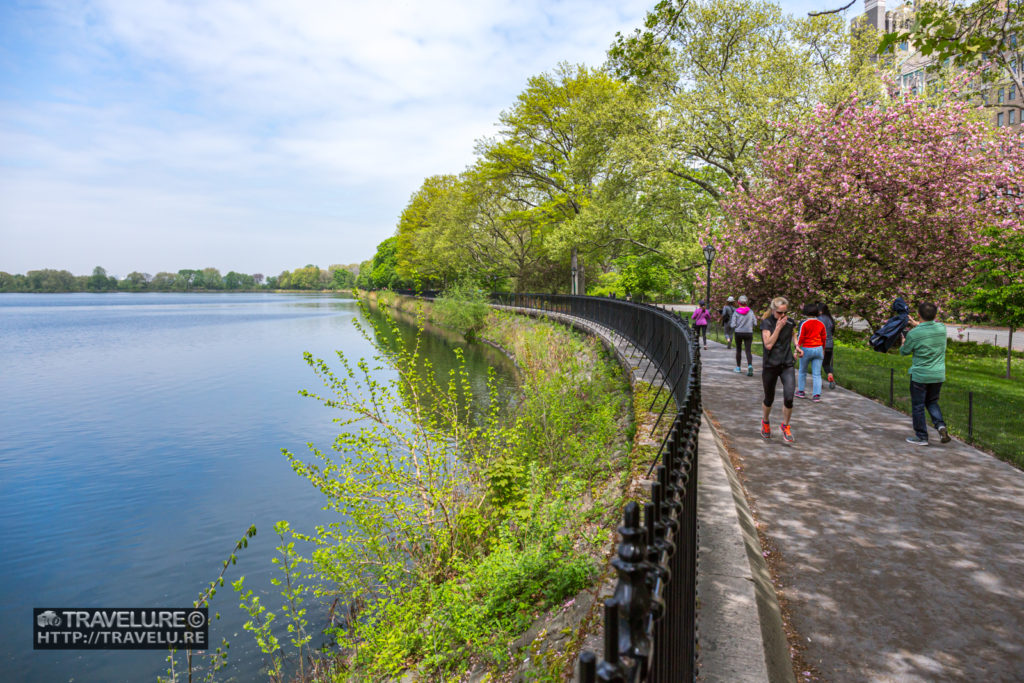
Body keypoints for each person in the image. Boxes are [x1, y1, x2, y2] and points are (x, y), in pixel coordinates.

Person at [900, 302, 951, 446]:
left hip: (920, 376)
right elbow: (928, 328)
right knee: (932, 402)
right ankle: (940, 425)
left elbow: (904, 352)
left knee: (918, 405)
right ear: (935, 315)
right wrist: (917, 324)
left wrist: (903, 341)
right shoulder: (942, 328)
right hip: (938, 375)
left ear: (918, 314)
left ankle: (922, 436)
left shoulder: (913, 334)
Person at [760, 297, 800, 443]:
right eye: (779, 313)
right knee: (769, 398)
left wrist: (797, 346)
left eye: (785, 313)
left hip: (787, 364)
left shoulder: (789, 322)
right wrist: (778, 327)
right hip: (771, 365)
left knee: (789, 397)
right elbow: (768, 345)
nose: (782, 316)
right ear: (773, 310)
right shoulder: (767, 323)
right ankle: (765, 422)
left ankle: (786, 425)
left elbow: (794, 334)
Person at [795, 303, 827, 402]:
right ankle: (816, 395)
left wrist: (797, 348)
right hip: (818, 348)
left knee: (802, 371)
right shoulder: (821, 324)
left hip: (806, 349)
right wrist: (823, 349)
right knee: (817, 374)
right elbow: (824, 337)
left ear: (805, 312)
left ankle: (801, 391)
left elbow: (801, 337)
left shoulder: (804, 323)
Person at [730, 295, 757, 376]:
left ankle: (738, 368)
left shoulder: (736, 312)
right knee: (748, 350)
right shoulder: (751, 311)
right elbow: (755, 323)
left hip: (738, 333)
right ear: (746, 303)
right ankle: (750, 366)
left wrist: (736, 325)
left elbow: (733, 325)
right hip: (749, 332)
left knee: (738, 350)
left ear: (738, 303)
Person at [816, 302, 836, 389]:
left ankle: (819, 382)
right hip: (830, 345)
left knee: (817, 363)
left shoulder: (818, 319)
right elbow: (832, 332)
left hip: (820, 344)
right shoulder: (830, 319)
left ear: (820, 310)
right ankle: (830, 376)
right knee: (827, 363)